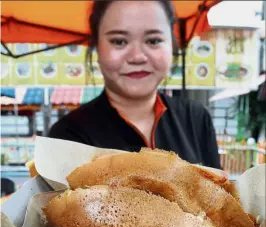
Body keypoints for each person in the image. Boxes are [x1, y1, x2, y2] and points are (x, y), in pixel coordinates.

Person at [48, 0, 221, 169]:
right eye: (119, 41)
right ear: (97, 48)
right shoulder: (67, 135)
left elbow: (219, 193)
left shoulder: (195, 118)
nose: (137, 57)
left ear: (172, 46)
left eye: (153, 41)